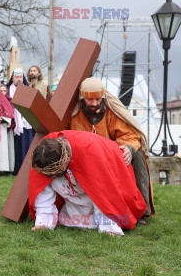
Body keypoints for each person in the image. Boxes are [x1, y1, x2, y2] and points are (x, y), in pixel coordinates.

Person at [68, 77, 155, 224]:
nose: (95, 104)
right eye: (90, 100)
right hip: (86, 161)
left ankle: (141, 211)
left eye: (98, 99)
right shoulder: (73, 115)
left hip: (112, 158)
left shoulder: (111, 112)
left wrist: (128, 148)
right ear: (82, 98)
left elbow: (130, 136)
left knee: (138, 157)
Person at [29, 131, 147, 236]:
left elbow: (102, 191)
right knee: (51, 183)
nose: (52, 176)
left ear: (65, 158)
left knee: (98, 190)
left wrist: (109, 227)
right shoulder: (43, 154)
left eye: (56, 172)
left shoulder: (89, 152)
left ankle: (107, 224)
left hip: (102, 169)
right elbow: (43, 188)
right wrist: (43, 224)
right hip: (74, 203)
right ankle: (47, 221)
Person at [7, 68, 34, 174]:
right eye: (16, 77)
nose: (19, 79)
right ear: (13, 79)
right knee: (17, 147)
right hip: (15, 123)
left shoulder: (27, 89)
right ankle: (17, 168)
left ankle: (28, 168)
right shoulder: (8, 89)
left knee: (28, 145)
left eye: (20, 77)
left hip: (27, 122)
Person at [0, 81, 14, 173]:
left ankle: (2, 169)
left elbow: (10, 113)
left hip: (2, 126)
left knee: (2, 148)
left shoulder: (3, 99)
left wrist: (3, 119)